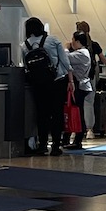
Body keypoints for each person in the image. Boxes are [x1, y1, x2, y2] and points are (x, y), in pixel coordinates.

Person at [22, 17, 70, 157]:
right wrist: (71, 77)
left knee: (42, 114)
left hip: (38, 84)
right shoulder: (53, 40)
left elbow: (26, 66)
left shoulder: (25, 45)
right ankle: (56, 146)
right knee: (57, 114)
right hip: (57, 81)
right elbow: (65, 62)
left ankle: (42, 145)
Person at [65, 31, 94, 150]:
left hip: (80, 86)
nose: (71, 42)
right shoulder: (83, 52)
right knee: (77, 112)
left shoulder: (82, 54)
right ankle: (75, 138)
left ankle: (78, 139)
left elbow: (66, 58)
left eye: (73, 40)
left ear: (77, 41)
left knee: (78, 113)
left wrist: (66, 49)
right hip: (81, 85)